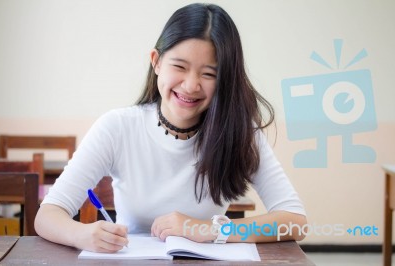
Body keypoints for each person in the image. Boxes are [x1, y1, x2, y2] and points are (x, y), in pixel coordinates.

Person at [35, 3, 307, 253]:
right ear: (156, 61)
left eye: (209, 74)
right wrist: (79, 234)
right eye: (180, 66)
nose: (191, 85)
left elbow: (295, 221)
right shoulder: (117, 127)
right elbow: (47, 215)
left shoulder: (239, 132)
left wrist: (207, 229)